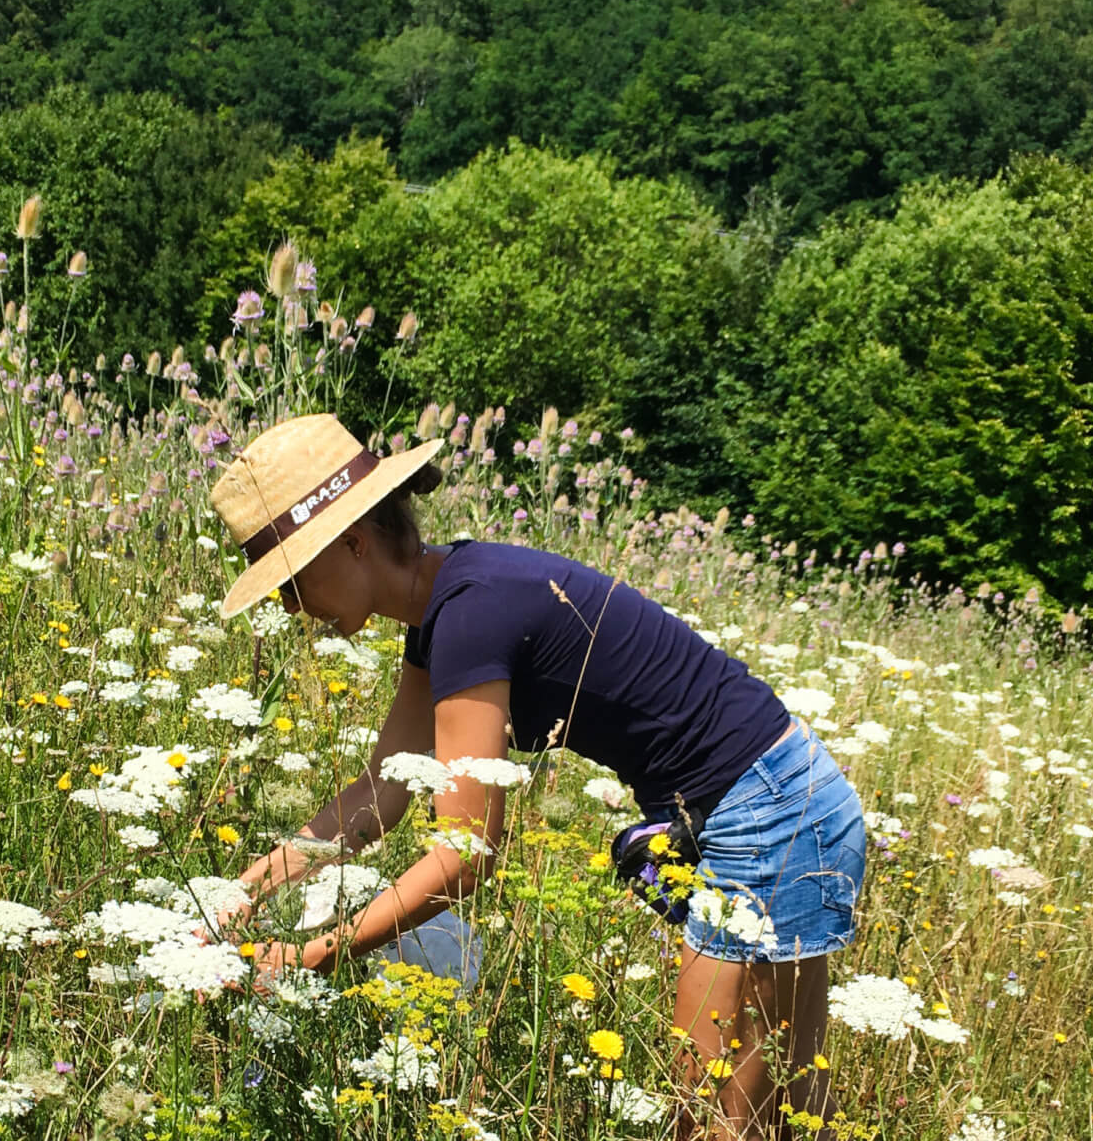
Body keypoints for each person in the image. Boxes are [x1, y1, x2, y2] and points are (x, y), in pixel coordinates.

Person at [211, 413, 867, 1138]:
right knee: (785, 1103)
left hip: (768, 812)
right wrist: (239, 894)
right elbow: (381, 794)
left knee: (713, 1112)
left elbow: (466, 855)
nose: (288, 603)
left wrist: (310, 955)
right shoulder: (447, 607)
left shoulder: (470, 615)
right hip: (782, 796)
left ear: (353, 543)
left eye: (291, 576)